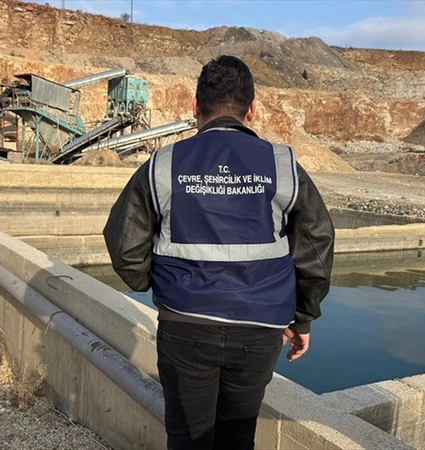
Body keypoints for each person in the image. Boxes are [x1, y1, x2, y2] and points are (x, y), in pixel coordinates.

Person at [103, 55, 335, 450]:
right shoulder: (283, 164)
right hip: (260, 329)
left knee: (187, 439)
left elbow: (124, 242)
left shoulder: (163, 164)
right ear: (252, 110)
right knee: (237, 438)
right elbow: (316, 243)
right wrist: (302, 317)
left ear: (196, 107)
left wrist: (155, 283)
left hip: (185, 323)